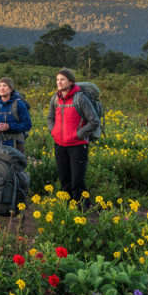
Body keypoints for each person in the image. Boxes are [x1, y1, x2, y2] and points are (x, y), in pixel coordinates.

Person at [46, 68, 99, 205]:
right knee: (64, 179)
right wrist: (54, 132)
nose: (59, 82)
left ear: (71, 81)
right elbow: (50, 117)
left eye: (62, 79)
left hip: (77, 146)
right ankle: (67, 209)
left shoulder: (80, 98)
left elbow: (94, 120)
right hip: (60, 144)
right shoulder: (55, 98)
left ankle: (83, 209)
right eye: (57, 79)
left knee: (77, 180)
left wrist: (78, 135)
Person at [0, 77, 32, 154]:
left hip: (16, 146)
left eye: (5, 85)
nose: (1, 88)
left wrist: (9, 127)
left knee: (16, 166)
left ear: (11, 89)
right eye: (0, 86)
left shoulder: (19, 104)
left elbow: (27, 125)